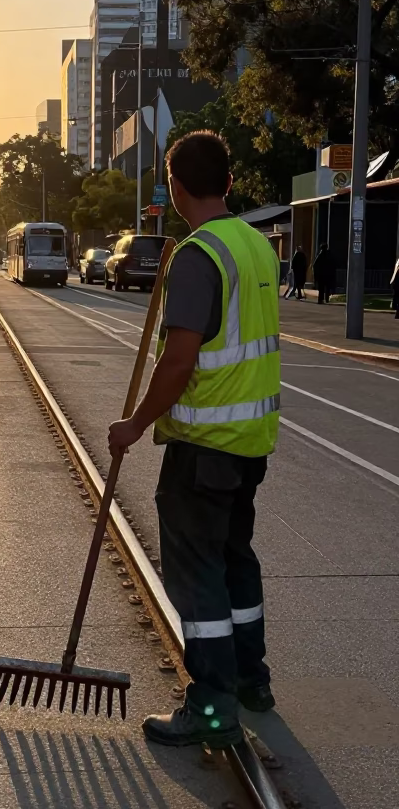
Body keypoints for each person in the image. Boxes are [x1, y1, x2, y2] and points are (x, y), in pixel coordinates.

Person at [108, 131, 280, 749]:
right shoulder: (257, 247)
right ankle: (250, 680)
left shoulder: (198, 255)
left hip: (203, 447)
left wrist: (135, 424)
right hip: (250, 444)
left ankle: (212, 704)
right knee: (236, 559)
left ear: (176, 188)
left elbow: (179, 361)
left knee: (197, 571)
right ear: (229, 184)